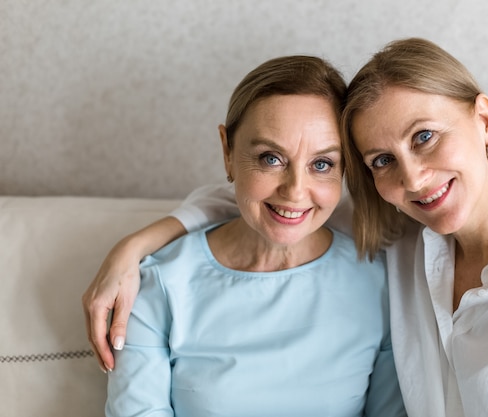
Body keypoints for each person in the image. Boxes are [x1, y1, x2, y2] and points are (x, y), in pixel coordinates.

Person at [85, 38, 488, 416]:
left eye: (424, 136)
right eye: (381, 160)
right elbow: (264, 206)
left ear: (484, 119)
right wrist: (134, 248)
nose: (413, 177)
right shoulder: (405, 236)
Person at [103, 55, 407, 416]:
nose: (295, 191)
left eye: (322, 164)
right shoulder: (159, 284)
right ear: (228, 152)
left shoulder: (380, 285)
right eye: (270, 159)